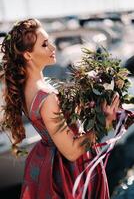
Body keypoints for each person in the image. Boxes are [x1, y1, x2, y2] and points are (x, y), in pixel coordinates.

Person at [0, 18, 119, 199]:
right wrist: (105, 122)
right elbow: (71, 152)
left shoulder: (27, 88)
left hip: (46, 160)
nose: (53, 48)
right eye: (45, 44)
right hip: (68, 173)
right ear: (28, 55)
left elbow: (54, 124)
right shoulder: (46, 97)